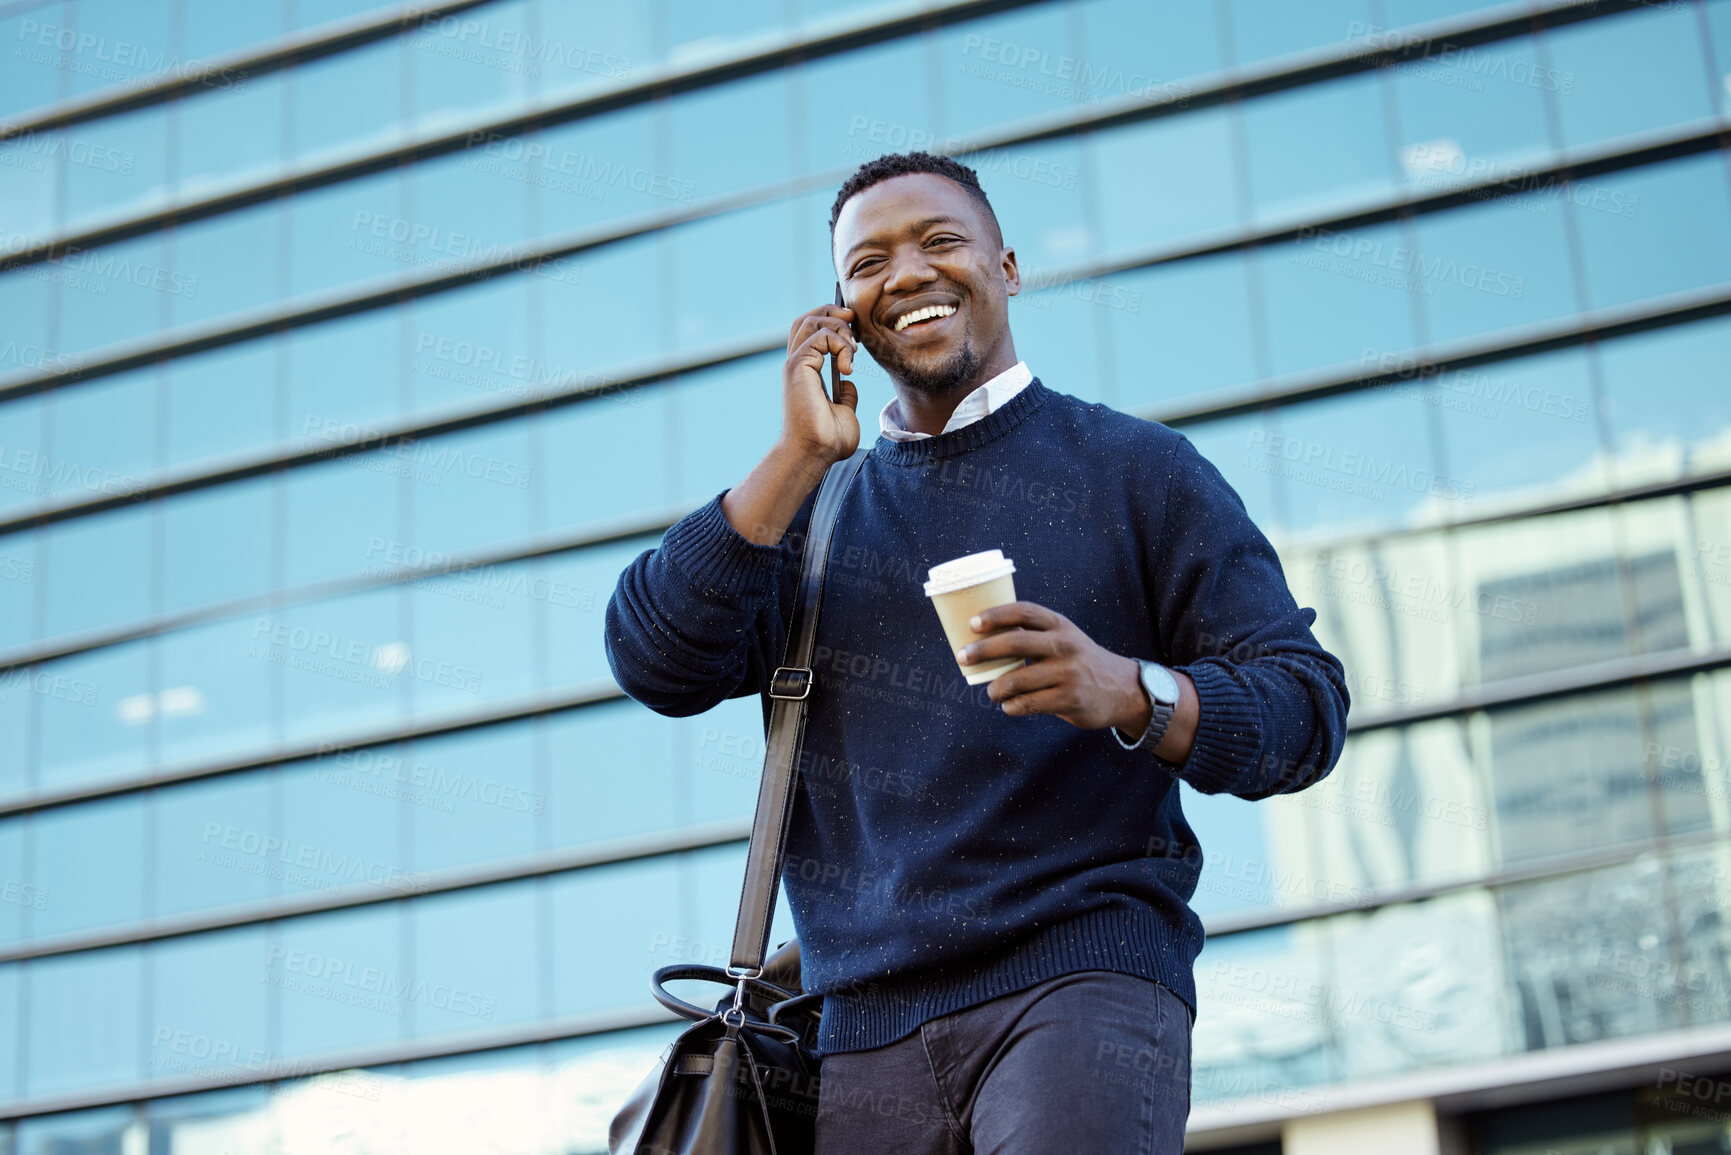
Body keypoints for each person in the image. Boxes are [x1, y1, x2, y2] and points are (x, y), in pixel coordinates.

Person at [604, 150, 1349, 1154]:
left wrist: (1132, 691)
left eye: (940, 241)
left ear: (1006, 266)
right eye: (868, 263)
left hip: (1084, 979)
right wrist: (795, 458)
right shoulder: (814, 515)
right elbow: (655, 659)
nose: (906, 272)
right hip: (861, 1034)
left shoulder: (1139, 471)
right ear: (844, 316)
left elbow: (1303, 709)